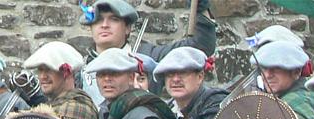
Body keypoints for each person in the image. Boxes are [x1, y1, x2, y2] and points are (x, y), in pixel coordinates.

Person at [78, 0, 216, 105]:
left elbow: (200, 45)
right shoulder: (80, 67)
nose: (104, 25)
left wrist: (200, 7)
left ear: (127, 28)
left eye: (113, 19)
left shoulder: (149, 56)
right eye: (98, 20)